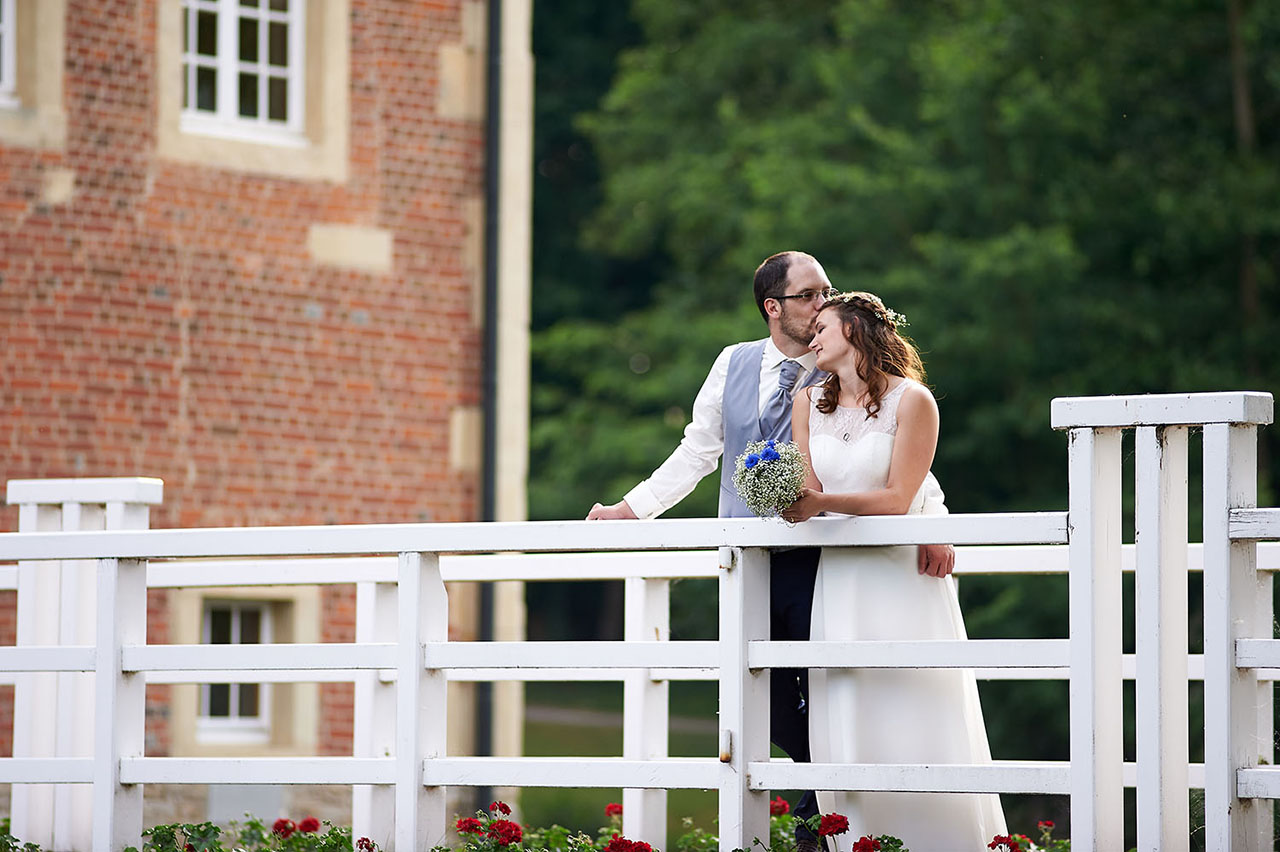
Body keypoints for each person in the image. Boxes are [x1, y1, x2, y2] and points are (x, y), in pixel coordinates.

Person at [586, 252, 955, 850]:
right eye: (809, 295)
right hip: (749, 560)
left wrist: (931, 520)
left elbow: (883, 453)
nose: (821, 306)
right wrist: (630, 511)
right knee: (764, 698)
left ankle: (822, 822)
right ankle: (831, 794)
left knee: (833, 686)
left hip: (822, 558)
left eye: (827, 294)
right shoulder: (733, 364)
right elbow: (698, 452)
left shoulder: (842, 365)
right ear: (773, 307)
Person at [780, 291, 1006, 851]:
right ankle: (856, 837)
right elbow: (810, 489)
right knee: (848, 701)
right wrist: (791, 500)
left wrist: (930, 518)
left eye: (823, 327)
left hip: (899, 576)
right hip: (840, 576)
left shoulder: (914, 401)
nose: (813, 337)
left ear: (854, 332)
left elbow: (900, 496)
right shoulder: (807, 402)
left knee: (912, 700)